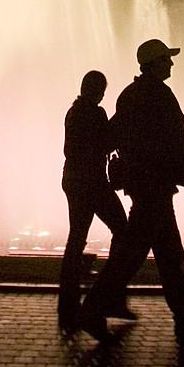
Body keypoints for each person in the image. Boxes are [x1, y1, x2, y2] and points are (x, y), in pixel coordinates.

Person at [73, 39, 184, 347]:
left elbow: (113, 136)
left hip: (145, 188)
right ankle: (93, 310)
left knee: (168, 258)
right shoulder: (159, 95)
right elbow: (180, 141)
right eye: (166, 60)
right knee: (135, 258)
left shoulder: (130, 96)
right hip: (153, 190)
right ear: (154, 63)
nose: (171, 64)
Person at [57, 70, 136, 330]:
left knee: (76, 238)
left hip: (73, 181)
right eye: (101, 88)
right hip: (91, 183)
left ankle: (67, 306)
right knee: (122, 230)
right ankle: (111, 294)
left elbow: (71, 149)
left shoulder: (73, 111)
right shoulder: (94, 113)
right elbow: (104, 142)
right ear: (97, 90)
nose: (103, 93)